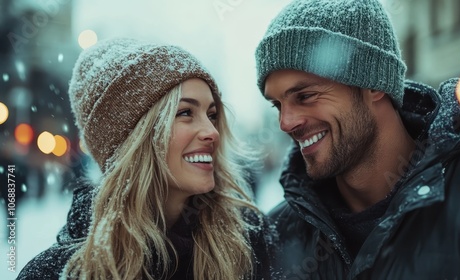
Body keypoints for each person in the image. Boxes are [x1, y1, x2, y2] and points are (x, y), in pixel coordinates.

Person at [255, 0, 460, 279]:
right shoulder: (274, 237)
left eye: (305, 96)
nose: (286, 122)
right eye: (277, 105)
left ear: (373, 85)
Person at [17, 38, 276, 280]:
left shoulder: (249, 243)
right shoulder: (57, 272)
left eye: (212, 114)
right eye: (185, 112)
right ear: (133, 139)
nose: (212, 132)